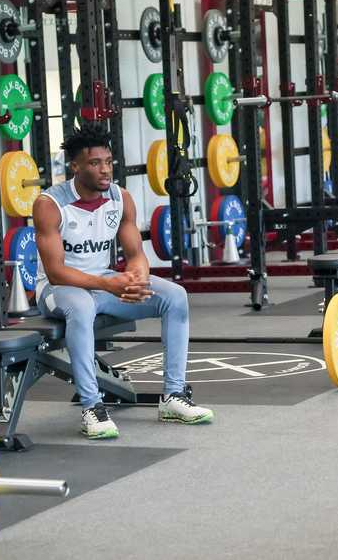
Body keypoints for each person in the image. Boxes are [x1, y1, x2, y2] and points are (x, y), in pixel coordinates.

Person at [32, 125, 213, 439]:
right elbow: (57, 271)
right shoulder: (50, 205)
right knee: (82, 305)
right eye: (95, 163)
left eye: (108, 162)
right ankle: (92, 406)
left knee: (175, 295)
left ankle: (173, 396)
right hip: (57, 290)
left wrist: (137, 277)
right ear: (74, 167)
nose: (105, 170)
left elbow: (136, 254)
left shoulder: (120, 198)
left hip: (102, 284)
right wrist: (110, 285)